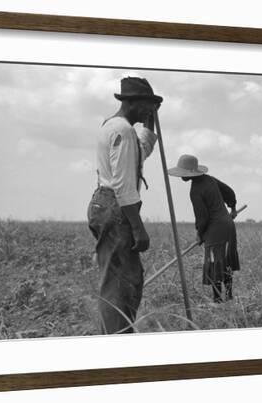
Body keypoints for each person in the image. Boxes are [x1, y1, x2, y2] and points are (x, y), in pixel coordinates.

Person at [87, 77, 163, 334]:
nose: (147, 111)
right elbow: (123, 184)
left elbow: (143, 148)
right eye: (145, 105)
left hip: (103, 203)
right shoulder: (123, 130)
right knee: (121, 284)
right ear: (131, 102)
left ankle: (116, 335)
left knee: (118, 281)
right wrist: (138, 227)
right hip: (116, 206)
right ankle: (118, 344)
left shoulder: (113, 125)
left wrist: (151, 116)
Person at [168, 154, 240, 303]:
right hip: (228, 225)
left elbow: (203, 218)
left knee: (214, 263)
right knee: (224, 262)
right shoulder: (210, 179)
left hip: (216, 230)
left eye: (184, 173)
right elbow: (229, 191)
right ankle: (229, 296)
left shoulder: (195, 190)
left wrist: (199, 233)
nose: (182, 176)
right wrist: (232, 208)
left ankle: (217, 300)